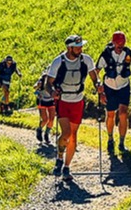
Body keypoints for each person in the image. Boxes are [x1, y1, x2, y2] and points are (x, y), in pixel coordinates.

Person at [39, 35, 99, 179]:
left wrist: (99, 86)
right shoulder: (58, 62)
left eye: (81, 46)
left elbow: (95, 77)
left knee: (73, 136)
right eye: (77, 47)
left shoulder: (87, 60)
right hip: (63, 101)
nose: (80, 49)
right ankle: (59, 158)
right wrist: (52, 92)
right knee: (66, 133)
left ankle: (66, 167)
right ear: (69, 47)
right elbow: (48, 83)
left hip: (78, 101)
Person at [96, 31, 131, 156]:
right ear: (113, 43)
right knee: (110, 114)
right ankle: (110, 138)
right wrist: (100, 88)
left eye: (122, 43)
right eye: (118, 44)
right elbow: (96, 71)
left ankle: (121, 142)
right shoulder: (106, 55)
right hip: (109, 87)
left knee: (123, 113)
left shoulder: (129, 54)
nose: (120, 46)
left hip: (124, 86)